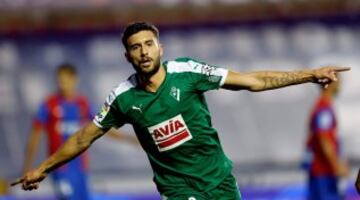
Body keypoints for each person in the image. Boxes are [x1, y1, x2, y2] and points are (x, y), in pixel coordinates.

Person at [11, 22, 350, 200]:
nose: (143, 52)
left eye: (148, 44)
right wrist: (43, 167)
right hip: (178, 191)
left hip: (220, 183)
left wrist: (309, 74)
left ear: (160, 47)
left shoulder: (188, 73)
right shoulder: (123, 98)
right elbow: (85, 137)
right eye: (134, 48)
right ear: (127, 56)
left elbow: (252, 80)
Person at [22, 63, 138, 200]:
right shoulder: (49, 104)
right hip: (59, 168)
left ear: (74, 79)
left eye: (66, 80)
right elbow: (35, 136)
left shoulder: (83, 104)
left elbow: (103, 127)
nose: (62, 84)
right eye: (60, 80)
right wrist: (28, 168)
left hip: (80, 167)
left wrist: (131, 139)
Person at [303, 80, 349, 200]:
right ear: (330, 84)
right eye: (338, 81)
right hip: (324, 171)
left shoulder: (325, 106)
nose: (340, 84)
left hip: (324, 171)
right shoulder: (324, 108)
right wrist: (337, 165)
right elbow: (324, 139)